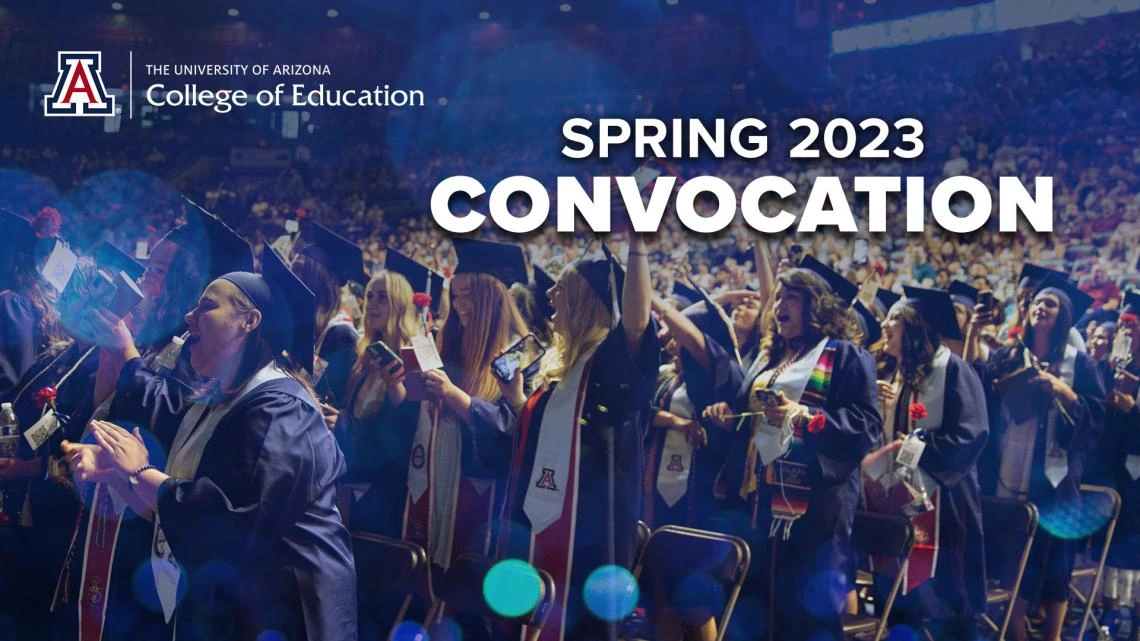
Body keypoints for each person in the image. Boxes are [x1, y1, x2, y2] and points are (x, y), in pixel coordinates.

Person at [65, 242, 357, 641]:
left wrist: (139, 472)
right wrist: (119, 471)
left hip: (284, 613)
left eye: (206, 306)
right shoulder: (225, 395)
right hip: (238, 606)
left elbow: (234, 523)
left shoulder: (281, 410)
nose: (189, 317)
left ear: (249, 321)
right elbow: (177, 483)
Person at [703, 256, 882, 641]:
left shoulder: (847, 355)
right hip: (759, 502)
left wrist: (803, 415)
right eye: (778, 296)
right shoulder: (771, 358)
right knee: (758, 609)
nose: (779, 305)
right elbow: (748, 420)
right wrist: (727, 415)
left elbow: (867, 427)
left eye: (791, 298)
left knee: (805, 615)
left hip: (815, 510)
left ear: (816, 305)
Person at [498, 234, 658, 641]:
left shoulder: (607, 365)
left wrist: (638, 244)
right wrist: (518, 402)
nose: (549, 294)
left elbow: (636, 324)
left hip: (588, 531)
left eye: (562, 287)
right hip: (537, 519)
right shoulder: (559, 370)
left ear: (587, 300)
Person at [974, 275, 1106, 641]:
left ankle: (1053, 636)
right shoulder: (1010, 354)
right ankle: (1016, 635)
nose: (1040, 306)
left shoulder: (1079, 364)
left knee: (1054, 567)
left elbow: (1098, 418)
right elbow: (982, 389)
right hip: (1010, 469)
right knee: (1011, 564)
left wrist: (1065, 392)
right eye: (1036, 301)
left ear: (1064, 317)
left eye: (1050, 303)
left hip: (1055, 478)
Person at [865, 287, 988, 640]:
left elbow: (970, 437)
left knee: (945, 607)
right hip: (896, 503)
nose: (885, 325)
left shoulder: (954, 370)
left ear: (916, 329)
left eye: (895, 320)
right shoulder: (896, 374)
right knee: (900, 607)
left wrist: (912, 447)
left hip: (943, 507)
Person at [403, 238, 529, 576]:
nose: (459, 305)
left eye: (467, 294)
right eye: (455, 295)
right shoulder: (452, 346)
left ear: (489, 298)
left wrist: (453, 396)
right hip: (439, 482)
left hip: (486, 501)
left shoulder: (521, 355)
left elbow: (513, 432)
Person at [335, 260, 428, 537]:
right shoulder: (366, 355)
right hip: (353, 479)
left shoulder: (416, 356)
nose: (372, 304)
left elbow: (404, 438)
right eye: (370, 297)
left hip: (385, 491)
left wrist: (342, 422)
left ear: (400, 304)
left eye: (383, 298)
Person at [1096, 295, 1139, 639]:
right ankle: (1108, 613)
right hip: (1113, 466)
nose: (1125, 329)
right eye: (1122, 324)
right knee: (1114, 540)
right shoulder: (1114, 363)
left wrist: (1134, 409)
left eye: (1132, 325)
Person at [292, 222, 367, 410]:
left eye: (299, 270)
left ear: (317, 278)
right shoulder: (308, 327)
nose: (291, 277)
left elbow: (327, 399)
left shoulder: (342, 336)